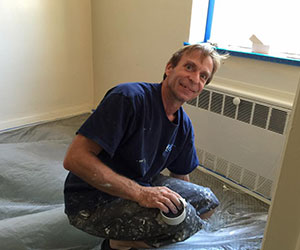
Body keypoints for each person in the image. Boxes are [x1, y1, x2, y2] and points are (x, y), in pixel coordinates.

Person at [63, 44, 227, 250]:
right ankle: (117, 243)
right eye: (189, 67)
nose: (195, 79)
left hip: (141, 184)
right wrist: (142, 194)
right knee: (182, 223)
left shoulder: (183, 125)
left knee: (206, 201)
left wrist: (184, 206)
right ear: (169, 68)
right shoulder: (128, 98)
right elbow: (75, 158)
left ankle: (138, 238)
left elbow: (181, 176)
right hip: (93, 199)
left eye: (203, 76)